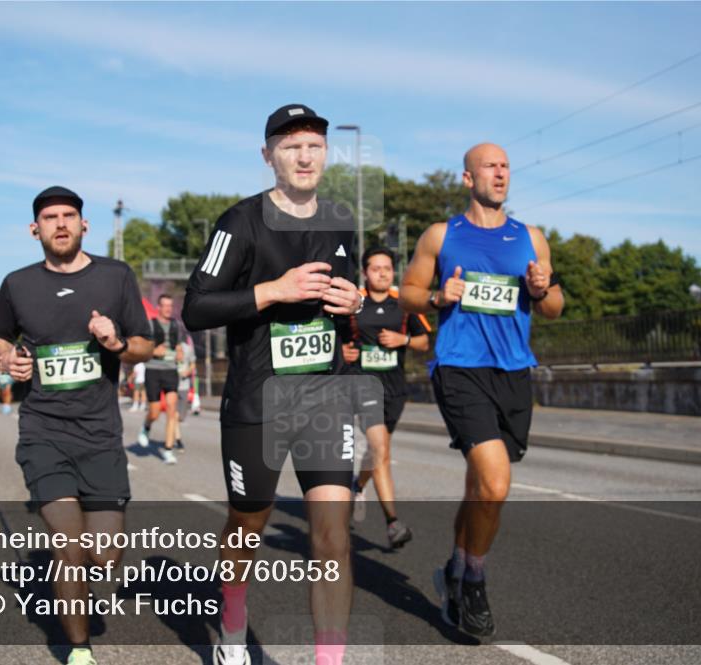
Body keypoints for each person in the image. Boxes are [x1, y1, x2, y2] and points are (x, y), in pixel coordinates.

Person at [183, 103, 362, 665]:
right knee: (247, 526)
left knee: (332, 534)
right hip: (259, 401)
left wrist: (354, 300)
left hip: (326, 398)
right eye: (290, 146)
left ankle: (328, 660)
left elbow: (349, 292)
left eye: (313, 145)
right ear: (268, 157)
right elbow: (196, 308)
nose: (304, 155)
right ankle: (232, 622)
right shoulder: (242, 222)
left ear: (325, 155)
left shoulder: (339, 220)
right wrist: (274, 290)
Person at [400, 143, 564, 639]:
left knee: (479, 485)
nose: (501, 172)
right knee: (493, 482)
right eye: (490, 166)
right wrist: (435, 296)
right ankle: (473, 579)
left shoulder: (530, 238)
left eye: (506, 166)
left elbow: (555, 305)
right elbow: (407, 291)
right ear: (468, 179)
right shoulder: (440, 235)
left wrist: (541, 290)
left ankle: (453, 565)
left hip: (513, 371)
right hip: (459, 367)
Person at [0, 185, 154, 665]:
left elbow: (146, 344)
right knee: (68, 545)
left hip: (100, 435)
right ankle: (79, 653)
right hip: (43, 431)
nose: (60, 224)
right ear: (34, 229)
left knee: (103, 555)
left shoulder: (116, 276)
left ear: (84, 225)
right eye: (50, 217)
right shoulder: (17, 284)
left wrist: (116, 341)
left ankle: (86, 584)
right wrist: (5, 357)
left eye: (69, 216)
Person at [340, 247, 430, 548]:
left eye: (387, 268)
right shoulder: (353, 304)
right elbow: (336, 339)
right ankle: (393, 523)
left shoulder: (403, 305)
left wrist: (402, 339)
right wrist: (342, 351)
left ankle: (356, 485)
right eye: (376, 268)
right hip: (362, 384)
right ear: (365, 272)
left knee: (378, 451)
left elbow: (423, 342)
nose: (382, 273)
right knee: (380, 449)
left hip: (394, 388)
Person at [137, 294, 184, 465]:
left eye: (170, 306)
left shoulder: (176, 325)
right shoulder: (150, 325)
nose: (168, 309)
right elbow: (143, 348)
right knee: (155, 411)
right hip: (153, 370)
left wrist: (179, 353)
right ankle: (146, 426)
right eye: (165, 305)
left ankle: (169, 449)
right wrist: (153, 351)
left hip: (170, 370)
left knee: (172, 409)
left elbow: (178, 346)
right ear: (158, 307)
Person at [174, 338, 196, 452]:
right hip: (172, 385)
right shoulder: (169, 347)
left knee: (181, 417)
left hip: (184, 385)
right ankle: (178, 440)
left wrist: (187, 372)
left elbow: (193, 364)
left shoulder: (188, 349)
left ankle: (175, 434)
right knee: (174, 415)